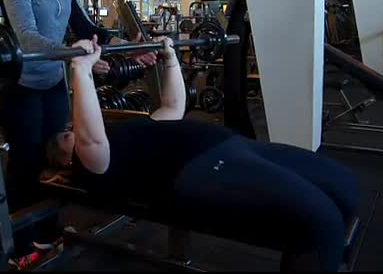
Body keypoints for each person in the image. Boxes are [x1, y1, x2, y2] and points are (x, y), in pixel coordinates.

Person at [44, 34, 361, 272]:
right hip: (202, 168)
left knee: (345, 187)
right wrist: (81, 69)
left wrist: (169, 57)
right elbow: (91, 140)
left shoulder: (127, 133)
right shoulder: (91, 165)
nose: (73, 129)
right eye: (67, 135)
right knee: (321, 221)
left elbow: (173, 107)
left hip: (232, 145)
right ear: (65, 159)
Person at [0, 0, 157, 268]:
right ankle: (20, 245)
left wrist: (130, 47)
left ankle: (48, 232)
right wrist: (74, 52)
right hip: (21, 85)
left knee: (57, 159)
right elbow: (27, 37)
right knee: (27, 162)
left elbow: (89, 29)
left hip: (53, 83)